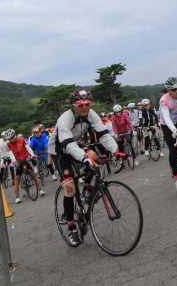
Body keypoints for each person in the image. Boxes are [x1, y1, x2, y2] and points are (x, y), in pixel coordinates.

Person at [48, 90, 124, 247]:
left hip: (74, 144)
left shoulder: (91, 114)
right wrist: (84, 159)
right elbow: (66, 143)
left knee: (94, 156)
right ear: (73, 106)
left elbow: (103, 134)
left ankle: (87, 190)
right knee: (69, 188)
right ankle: (71, 228)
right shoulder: (65, 119)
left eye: (87, 104)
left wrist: (115, 150)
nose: (84, 108)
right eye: (80, 105)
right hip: (60, 150)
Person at [2, 128, 45, 203]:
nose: (11, 140)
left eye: (12, 137)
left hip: (25, 159)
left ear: (15, 135)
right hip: (18, 161)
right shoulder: (8, 145)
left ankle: (40, 189)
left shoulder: (22, 140)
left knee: (34, 175)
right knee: (17, 180)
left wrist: (32, 155)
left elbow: (28, 148)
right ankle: (17, 197)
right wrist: (15, 162)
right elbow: (11, 154)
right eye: (9, 139)